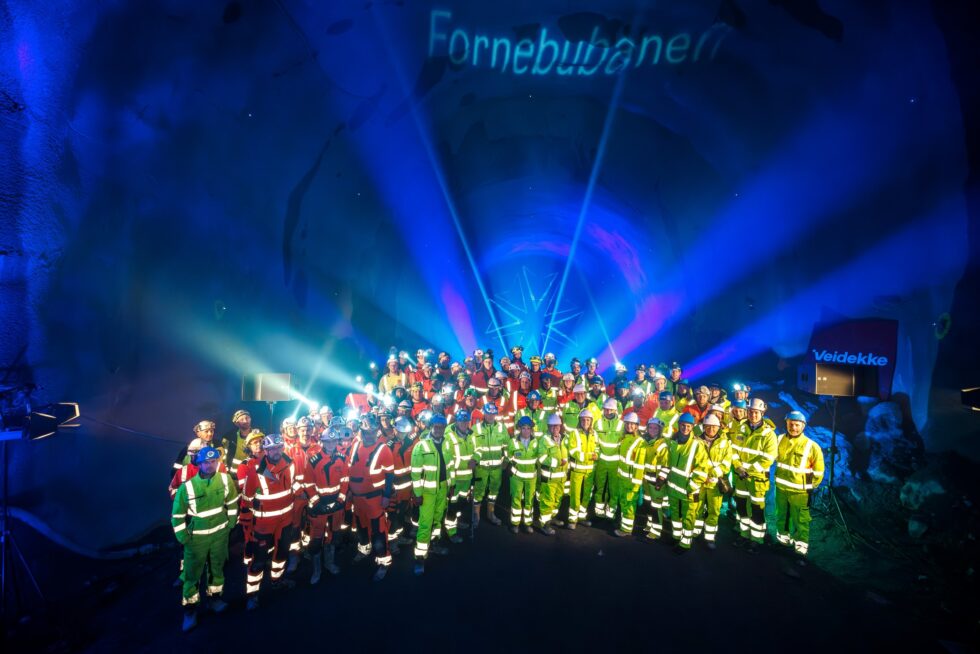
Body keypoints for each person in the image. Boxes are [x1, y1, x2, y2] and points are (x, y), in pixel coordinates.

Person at [171, 446, 238, 631]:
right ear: (199, 464)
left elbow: (233, 502)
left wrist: (231, 524)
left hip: (220, 536)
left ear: (218, 462)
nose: (210, 465)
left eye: (213, 461)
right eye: (206, 462)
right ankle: (190, 611)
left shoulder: (225, 479)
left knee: (217, 570)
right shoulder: (187, 487)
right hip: (196, 540)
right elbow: (177, 515)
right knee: (192, 576)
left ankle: (214, 600)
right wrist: (183, 538)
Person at [242, 434, 299, 609]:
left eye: (279, 447)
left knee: (281, 554)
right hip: (263, 524)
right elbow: (246, 499)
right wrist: (247, 526)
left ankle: (276, 581)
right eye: (272, 449)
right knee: (259, 560)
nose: (276, 451)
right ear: (265, 451)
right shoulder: (255, 472)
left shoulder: (290, 465)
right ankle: (253, 595)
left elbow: (295, 485)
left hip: (285, 521)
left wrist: (304, 496)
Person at [348, 413, 395, 581]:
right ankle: (364, 550)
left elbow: (389, 475)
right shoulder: (355, 445)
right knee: (361, 529)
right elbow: (350, 468)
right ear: (361, 432)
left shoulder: (384, 449)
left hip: (374, 500)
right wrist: (349, 491)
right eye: (366, 432)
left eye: (372, 432)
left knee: (379, 533)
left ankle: (384, 562)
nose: (369, 435)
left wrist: (386, 496)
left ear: (377, 432)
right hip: (357, 499)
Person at [774, 411, 825, 559]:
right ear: (786, 424)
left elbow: (819, 471)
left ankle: (800, 551)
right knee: (781, 516)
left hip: (799, 492)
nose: (793, 428)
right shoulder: (779, 439)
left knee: (800, 521)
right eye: (791, 424)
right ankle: (783, 542)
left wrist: (810, 487)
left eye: (797, 425)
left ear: (803, 426)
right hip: (781, 489)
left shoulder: (811, 446)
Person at [658, 413, 709, 553]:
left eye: (688, 426)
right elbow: (667, 462)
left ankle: (685, 543)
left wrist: (692, 487)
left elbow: (702, 469)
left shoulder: (697, 445)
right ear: (678, 425)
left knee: (688, 516)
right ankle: (676, 537)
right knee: (675, 513)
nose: (685, 428)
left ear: (692, 427)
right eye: (682, 425)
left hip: (688, 490)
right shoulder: (673, 442)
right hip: (674, 486)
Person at [305, 424, 350, 584]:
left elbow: (345, 480)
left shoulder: (342, 458)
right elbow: (308, 484)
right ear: (322, 442)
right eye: (328, 441)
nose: (331, 444)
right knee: (316, 540)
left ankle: (329, 563)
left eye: (334, 441)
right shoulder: (314, 460)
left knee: (333, 536)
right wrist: (316, 503)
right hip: (319, 506)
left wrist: (340, 500)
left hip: (336, 505)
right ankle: (316, 570)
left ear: (337, 442)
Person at [732, 398, 777, 551]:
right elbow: (734, 451)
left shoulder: (769, 434)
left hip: (757, 479)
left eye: (756, 412)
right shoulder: (741, 428)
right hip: (741, 477)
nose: (753, 415)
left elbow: (768, 458)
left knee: (757, 510)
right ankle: (744, 534)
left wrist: (748, 471)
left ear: (762, 413)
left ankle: (756, 540)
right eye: (751, 412)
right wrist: (738, 466)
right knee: (741, 507)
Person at [411, 414, 452, 574]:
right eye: (436, 426)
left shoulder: (446, 443)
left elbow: (450, 467)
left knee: (438, 520)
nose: (439, 429)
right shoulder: (421, 446)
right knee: (425, 523)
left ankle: (434, 544)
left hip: (442, 489)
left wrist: (452, 485)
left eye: (442, 427)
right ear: (431, 427)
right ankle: (420, 558)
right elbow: (415, 473)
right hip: (427, 493)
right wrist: (417, 494)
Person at [698, 413, 732, 549]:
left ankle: (709, 537)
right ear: (704, 427)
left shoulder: (725, 442)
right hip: (699, 481)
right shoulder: (696, 440)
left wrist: (712, 474)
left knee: (714, 511)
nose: (711, 429)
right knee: (697, 508)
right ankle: (695, 532)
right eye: (708, 426)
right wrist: (702, 475)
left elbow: (726, 464)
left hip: (715, 483)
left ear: (718, 427)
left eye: (714, 426)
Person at [470, 403, 509, 526]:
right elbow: (472, 447)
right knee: (478, 492)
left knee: (494, 491)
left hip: (497, 468)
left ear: (496, 414)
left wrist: (506, 460)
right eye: (488, 413)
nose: (490, 416)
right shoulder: (476, 428)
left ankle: (491, 514)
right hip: (481, 467)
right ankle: (476, 515)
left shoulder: (502, 428)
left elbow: (507, 446)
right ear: (484, 414)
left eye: (493, 414)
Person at [611, 413, 646, 537]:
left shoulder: (640, 442)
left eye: (632, 424)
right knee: (623, 502)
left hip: (631, 480)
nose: (629, 426)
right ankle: (623, 524)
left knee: (629, 504)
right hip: (622, 478)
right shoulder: (624, 438)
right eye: (627, 423)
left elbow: (640, 465)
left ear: (637, 426)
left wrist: (636, 483)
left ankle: (626, 529)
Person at [387, 416, 417, 553]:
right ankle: (392, 543)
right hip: (395, 490)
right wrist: (389, 488)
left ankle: (400, 538)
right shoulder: (389, 446)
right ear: (394, 430)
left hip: (408, 488)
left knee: (402, 515)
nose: (402, 434)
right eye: (399, 431)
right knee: (392, 517)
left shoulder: (411, 443)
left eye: (404, 432)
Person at [508, 416, 541, 534]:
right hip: (517, 477)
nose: (526, 431)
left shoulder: (536, 442)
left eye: (528, 428)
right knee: (516, 499)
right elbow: (508, 456)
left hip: (531, 478)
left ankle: (527, 524)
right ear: (519, 429)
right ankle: (515, 524)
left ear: (531, 430)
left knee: (529, 501)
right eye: (523, 428)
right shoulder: (513, 442)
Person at [536, 414, 568, 535]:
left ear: (560, 426)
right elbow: (542, 457)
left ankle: (552, 518)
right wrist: (557, 462)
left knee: (557, 500)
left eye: (557, 426)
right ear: (548, 427)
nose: (555, 428)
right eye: (552, 426)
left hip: (561, 477)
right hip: (549, 477)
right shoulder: (544, 440)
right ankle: (545, 524)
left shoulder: (564, 438)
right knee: (547, 501)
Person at [592, 398, 624, 520]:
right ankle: (598, 509)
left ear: (615, 410)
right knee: (600, 486)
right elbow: (594, 442)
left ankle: (611, 511)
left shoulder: (621, 425)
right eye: (606, 409)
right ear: (603, 410)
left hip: (615, 462)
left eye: (611, 410)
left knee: (613, 489)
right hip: (601, 461)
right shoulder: (598, 423)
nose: (608, 412)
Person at [640, 417, 670, 540]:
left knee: (656, 506)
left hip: (656, 479)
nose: (652, 430)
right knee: (648, 503)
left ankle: (656, 531)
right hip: (645, 478)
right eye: (650, 427)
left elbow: (666, 464)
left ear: (660, 430)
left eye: (655, 428)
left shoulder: (662, 444)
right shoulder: (645, 441)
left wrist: (661, 479)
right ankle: (650, 524)